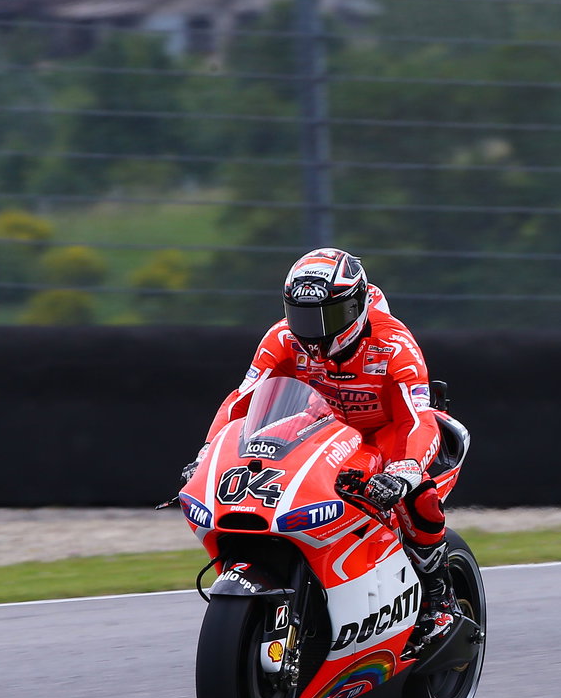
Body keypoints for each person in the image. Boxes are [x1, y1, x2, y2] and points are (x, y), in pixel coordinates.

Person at [186, 247, 458, 648]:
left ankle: (439, 599)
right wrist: (208, 452)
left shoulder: (394, 344)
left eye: (328, 316)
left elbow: (418, 418)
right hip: (318, 426)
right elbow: (242, 401)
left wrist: (405, 469)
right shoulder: (281, 337)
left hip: (383, 432)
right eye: (302, 317)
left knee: (415, 495)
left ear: (357, 306)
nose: (313, 330)